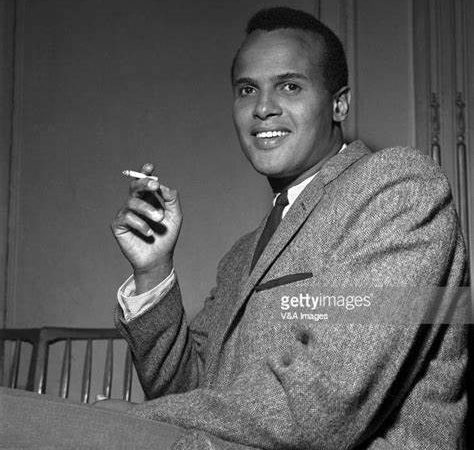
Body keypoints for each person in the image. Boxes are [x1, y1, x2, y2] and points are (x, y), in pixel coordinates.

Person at [0, 7, 469, 450]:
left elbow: (328, 404)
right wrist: (154, 272)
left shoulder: (401, 188)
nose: (262, 108)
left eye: (289, 86)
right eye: (247, 90)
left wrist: (140, 422)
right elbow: (189, 390)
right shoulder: (243, 255)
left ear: (339, 104)